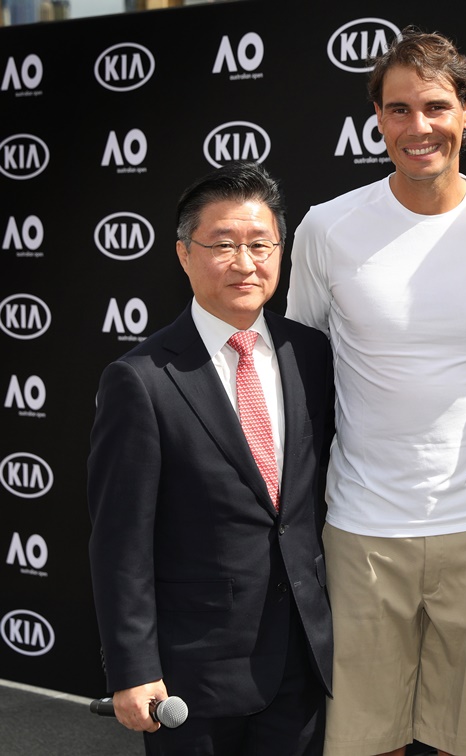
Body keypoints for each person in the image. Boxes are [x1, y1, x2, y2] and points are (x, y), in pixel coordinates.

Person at [284, 27, 466, 756]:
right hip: (363, 531)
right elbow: (301, 370)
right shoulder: (327, 229)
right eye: (399, 109)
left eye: (436, 106)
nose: (418, 127)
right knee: (366, 744)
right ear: (377, 118)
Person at [87, 161, 335, 756]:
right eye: (223, 245)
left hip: (300, 661)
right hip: (192, 676)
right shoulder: (141, 379)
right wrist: (132, 668)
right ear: (183, 254)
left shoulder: (311, 354)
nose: (245, 263)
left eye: (260, 244)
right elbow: (120, 541)